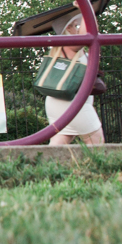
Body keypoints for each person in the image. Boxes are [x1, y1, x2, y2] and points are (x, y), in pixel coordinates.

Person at [45, 14, 104, 147]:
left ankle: (41, 167)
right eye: (75, 26)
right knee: (96, 141)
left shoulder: (71, 49)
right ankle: (94, 168)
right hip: (72, 103)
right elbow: (86, 36)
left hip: (63, 102)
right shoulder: (69, 45)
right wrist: (86, 11)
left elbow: (92, 34)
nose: (78, 29)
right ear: (68, 28)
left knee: (58, 145)